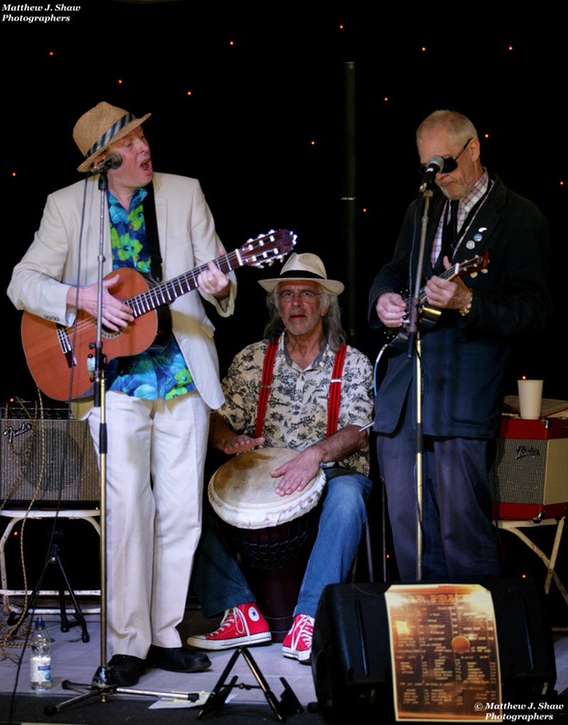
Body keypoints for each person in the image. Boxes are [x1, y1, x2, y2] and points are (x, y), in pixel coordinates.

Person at [7, 101, 238, 686]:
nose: (144, 149)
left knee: (181, 514)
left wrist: (220, 283)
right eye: (131, 143)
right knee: (129, 511)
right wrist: (80, 299)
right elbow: (21, 282)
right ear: (104, 160)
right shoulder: (67, 206)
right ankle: (127, 643)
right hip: (111, 378)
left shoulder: (185, 193)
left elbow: (220, 281)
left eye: (143, 137)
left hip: (180, 371)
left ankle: (164, 636)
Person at [368, 109, 553, 583]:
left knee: (460, 532)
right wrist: (383, 299)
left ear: (473, 149)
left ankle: (477, 648)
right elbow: (395, 269)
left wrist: (470, 301)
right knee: (410, 530)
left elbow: (535, 312)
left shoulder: (519, 217)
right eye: (428, 167)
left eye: (445, 164)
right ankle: (422, 645)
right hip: (405, 390)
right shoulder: (422, 208)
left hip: (463, 393)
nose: (438, 176)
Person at [187, 252, 374, 663]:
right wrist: (227, 441)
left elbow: (358, 433)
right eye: (287, 295)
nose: (296, 303)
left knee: (348, 499)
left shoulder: (353, 363)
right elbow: (217, 417)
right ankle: (239, 611)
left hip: (332, 472)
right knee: (184, 501)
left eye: (307, 294)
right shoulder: (253, 360)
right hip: (263, 479)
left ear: (325, 304)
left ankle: (309, 619)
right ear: (277, 305)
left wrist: (314, 456)